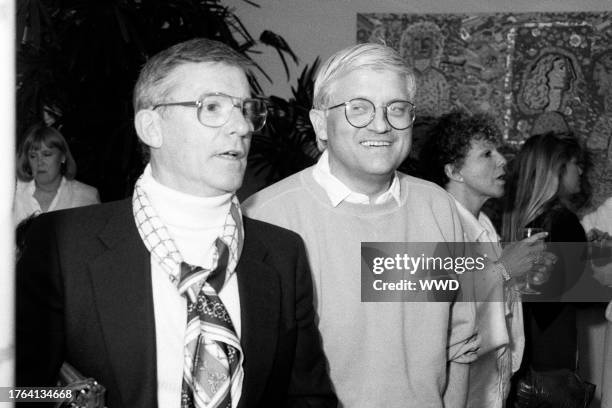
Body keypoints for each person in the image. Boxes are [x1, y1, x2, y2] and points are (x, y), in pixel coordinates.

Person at [16, 38, 337, 408]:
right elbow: (15, 392)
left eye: (246, 109)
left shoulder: (283, 254)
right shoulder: (61, 244)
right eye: (212, 106)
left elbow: (307, 398)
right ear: (151, 127)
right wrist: (68, 399)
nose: (241, 127)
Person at [244, 43, 479, 408]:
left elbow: (459, 344)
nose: (382, 124)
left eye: (397, 109)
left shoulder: (438, 208)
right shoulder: (265, 218)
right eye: (359, 108)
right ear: (320, 123)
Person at [421, 111, 550, 408]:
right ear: (454, 171)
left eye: (499, 151)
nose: (503, 160)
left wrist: (521, 274)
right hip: (460, 385)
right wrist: (506, 269)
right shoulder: (438, 224)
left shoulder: (485, 223)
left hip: (493, 379)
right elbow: (437, 300)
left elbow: (497, 297)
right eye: (486, 154)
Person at [503, 132, 597, 408]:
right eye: (574, 163)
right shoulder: (563, 220)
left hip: (517, 357)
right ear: (557, 169)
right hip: (551, 359)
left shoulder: (514, 219)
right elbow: (584, 294)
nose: (580, 171)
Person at [13, 124, 100, 225]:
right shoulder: (13, 194)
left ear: (63, 157)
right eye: (33, 156)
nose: (39, 162)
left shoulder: (86, 196)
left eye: (47, 154)